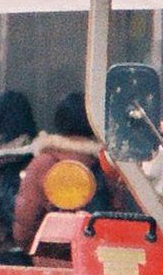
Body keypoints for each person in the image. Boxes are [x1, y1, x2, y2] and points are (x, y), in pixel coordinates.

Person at [10, 92, 107, 256]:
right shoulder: (107, 164)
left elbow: (25, 222)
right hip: (99, 259)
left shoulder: (44, 163)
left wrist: (31, 250)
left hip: (48, 261)